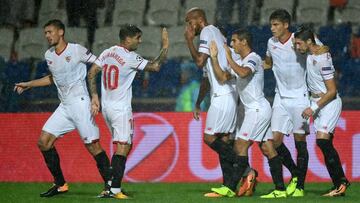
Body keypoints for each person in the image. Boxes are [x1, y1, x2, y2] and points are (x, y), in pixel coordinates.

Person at [13, 19, 111, 197]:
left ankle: (111, 186)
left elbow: (99, 66)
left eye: (50, 32)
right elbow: (53, 78)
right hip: (65, 106)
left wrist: (95, 95)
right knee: (44, 142)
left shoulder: (77, 50)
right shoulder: (49, 55)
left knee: (93, 146)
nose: (47, 36)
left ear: (61, 32)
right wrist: (29, 84)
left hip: (81, 103)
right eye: (45, 33)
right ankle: (60, 185)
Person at [87, 24, 169, 199]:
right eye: (137, 38)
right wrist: (165, 48)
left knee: (122, 145)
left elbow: (91, 73)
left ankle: (110, 186)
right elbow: (155, 67)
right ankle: (114, 189)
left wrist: (94, 96)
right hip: (121, 108)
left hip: (107, 108)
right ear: (128, 39)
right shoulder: (130, 56)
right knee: (124, 146)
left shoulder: (107, 52)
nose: (140, 41)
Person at [184, 7, 256, 197]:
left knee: (209, 138)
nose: (188, 27)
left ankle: (248, 171)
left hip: (223, 95)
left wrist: (188, 41)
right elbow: (207, 76)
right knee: (224, 141)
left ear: (198, 20)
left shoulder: (207, 32)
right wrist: (199, 102)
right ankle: (228, 187)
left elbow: (199, 62)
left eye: (189, 22)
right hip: (227, 94)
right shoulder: (217, 34)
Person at [209, 29, 286, 198]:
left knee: (239, 146)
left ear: (244, 42)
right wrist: (214, 58)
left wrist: (228, 57)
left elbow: (244, 72)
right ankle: (280, 190)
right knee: (267, 148)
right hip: (258, 109)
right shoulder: (243, 61)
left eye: (235, 41)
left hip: (257, 110)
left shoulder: (253, 58)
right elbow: (223, 77)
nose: (232, 44)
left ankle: (229, 187)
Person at [293, 26, 350, 197]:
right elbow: (311, 33)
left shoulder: (323, 59)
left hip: (329, 103)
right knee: (324, 144)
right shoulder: (313, 46)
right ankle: (339, 184)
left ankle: (341, 182)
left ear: (309, 42)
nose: (297, 48)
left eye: (299, 44)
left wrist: (313, 108)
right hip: (317, 101)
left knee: (323, 142)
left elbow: (332, 91)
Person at [263, 9, 310, 197]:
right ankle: (296, 174)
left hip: (300, 98)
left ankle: (300, 187)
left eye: (275, 25)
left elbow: (317, 48)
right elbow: (268, 63)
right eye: (271, 24)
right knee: (274, 142)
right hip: (280, 98)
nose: (272, 28)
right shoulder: (271, 43)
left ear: (286, 25)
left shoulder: (297, 41)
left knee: (300, 142)